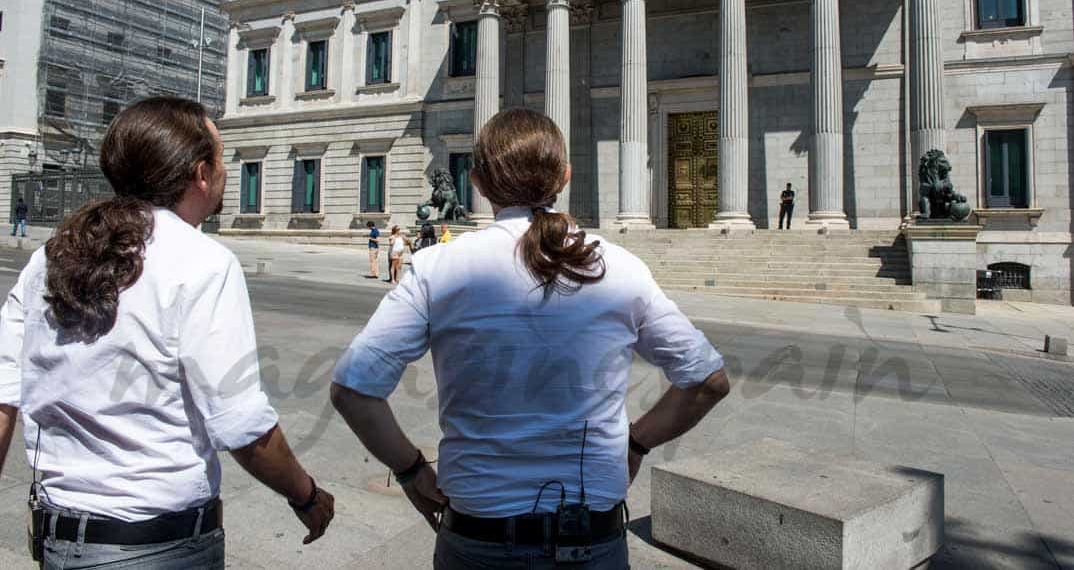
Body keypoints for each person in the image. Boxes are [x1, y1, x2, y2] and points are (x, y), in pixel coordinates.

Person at [330, 108, 729, 569]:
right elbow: (708, 381)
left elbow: (353, 390)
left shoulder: (438, 267)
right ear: (565, 176)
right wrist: (635, 443)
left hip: (479, 541)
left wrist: (411, 470)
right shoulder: (622, 268)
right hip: (592, 540)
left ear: (477, 182)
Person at [0, 97, 334, 569]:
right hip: (157, 545)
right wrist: (306, 495)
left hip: (62, 539)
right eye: (221, 158)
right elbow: (240, 423)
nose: (224, 171)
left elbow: (2, 399)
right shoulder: (202, 261)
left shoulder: (49, 258)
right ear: (201, 173)